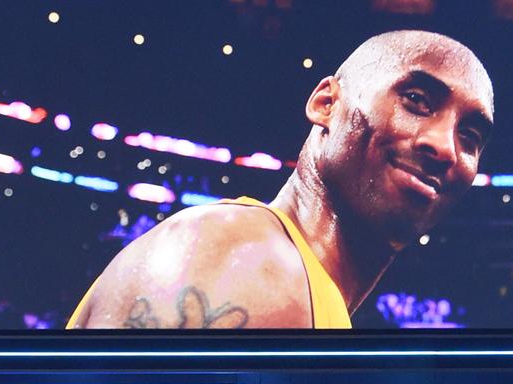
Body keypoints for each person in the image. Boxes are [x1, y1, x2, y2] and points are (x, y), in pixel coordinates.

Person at [66, 30, 493, 331]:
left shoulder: (304, 286)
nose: (445, 147)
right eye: (416, 101)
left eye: (469, 137)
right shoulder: (250, 258)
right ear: (327, 103)